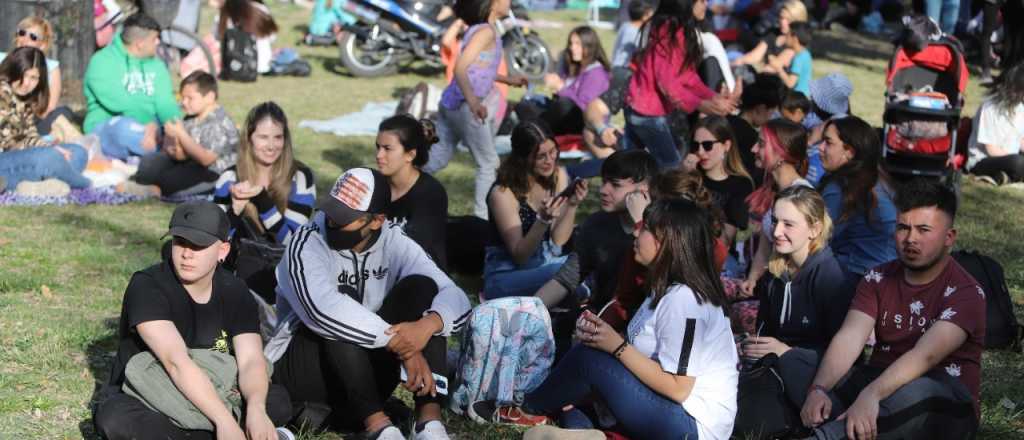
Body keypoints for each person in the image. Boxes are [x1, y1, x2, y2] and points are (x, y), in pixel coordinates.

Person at [476, 199, 738, 440]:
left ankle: (526, 410)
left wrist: (616, 347)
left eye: (645, 228)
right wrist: (602, 338)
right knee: (576, 402)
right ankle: (583, 433)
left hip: (692, 428)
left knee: (590, 360)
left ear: (667, 241)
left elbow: (678, 388)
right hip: (667, 411)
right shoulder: (664, 290)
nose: (636, 233)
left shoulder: (686, 299)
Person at [265, 168, 472, 440]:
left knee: (424, 288)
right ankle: (378, 427)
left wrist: (426, 325)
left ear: (376, 221)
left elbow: (455, 295)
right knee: (345, 302)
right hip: (302, 374)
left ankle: (428, 424)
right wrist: (405, 348)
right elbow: (323, 310)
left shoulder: (394, 240)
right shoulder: (306, 242)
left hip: (361, 370)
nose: (332, 222)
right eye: (332, 212)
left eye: (344, 219)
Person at [784, 178, 982, 440]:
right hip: (879, 380)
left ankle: (824, 435)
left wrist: (872, 394)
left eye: (923, 230)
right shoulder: (878, 277)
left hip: (940, 398)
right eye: (903, 227)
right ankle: (844, 421)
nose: (911, 239)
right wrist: (818, 389)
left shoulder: (967, 291)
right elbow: (850, 337)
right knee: (796, 362)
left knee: (917, 393)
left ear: (949, 237)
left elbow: (926, 356)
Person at [93, 201, 293, 440]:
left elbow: (250, 359)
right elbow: (176, 362)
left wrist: (257, 409)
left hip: (216, 386)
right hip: (153, 390)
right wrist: (224, 420)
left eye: (198, 245)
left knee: (276, 401)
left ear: (223, 251)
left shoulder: (235, 289)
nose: (186, 254)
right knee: (115, 419)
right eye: (180, 242)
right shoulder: (147, 285)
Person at [426, 0, 527, 220]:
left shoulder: (480, 30)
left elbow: (481, 67)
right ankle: (483, 218)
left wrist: (508, 80)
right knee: (488, 162)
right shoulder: (486, 33)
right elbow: (460, 67)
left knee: (438, 158)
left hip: (450, 104)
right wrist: (473, 103)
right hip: (464, 106)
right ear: (492, 4)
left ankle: (400, 187)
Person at [533, 149, 660, 312]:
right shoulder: (597, 224)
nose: (603, 190)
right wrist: (529, 312)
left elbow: (666, 280)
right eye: (604, 181)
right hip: (604, 318)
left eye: (615, 184)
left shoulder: (667, 225)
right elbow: (565, 280)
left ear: (644, 189)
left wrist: (640, 223)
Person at [622, 0, 739, 169]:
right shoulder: (669, 31)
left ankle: (576, 172)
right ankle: (574, 173)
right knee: (670, 166)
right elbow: (667, 84)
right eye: (702, 1)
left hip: (642, 108)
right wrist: (701, 104)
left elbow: (687, 75)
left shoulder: (678, 29)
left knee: (628, 166)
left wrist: (712, 97)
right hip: (646, 112)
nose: (706, 5)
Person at [740, 186, 848, 362]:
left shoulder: (830, 277)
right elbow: (764, 331)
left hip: (812, 379)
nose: (776, 232)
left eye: (788, 224)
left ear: (815, 229)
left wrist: (787, 353)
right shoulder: (775, 270)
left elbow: (842, 355)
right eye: (775, 221)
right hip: (773, 370)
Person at [483, 120, 587, 299]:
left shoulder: (558, 175)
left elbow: (558, 241)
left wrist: (572, 205)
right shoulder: (502, 193)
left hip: (545, 263)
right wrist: (542, 221)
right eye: (541, 156)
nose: (549, 161)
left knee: (586, 262)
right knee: (569, 273)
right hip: (506, 275)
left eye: (553, 152)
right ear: (523, 158)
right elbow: (519, 256)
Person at [213, 102, 315, 245]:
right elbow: (215, 241)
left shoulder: (301, 177)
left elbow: (292, 242)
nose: (271, 146)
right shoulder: (228, 178)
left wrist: (263, 202)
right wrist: (234, 212)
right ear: (249, 139)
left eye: (278, 137)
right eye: (263, 137)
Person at [84, 13, 182, 160]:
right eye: (154, 39)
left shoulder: (156, 65)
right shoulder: (102, 62)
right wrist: (148, 124)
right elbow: (122, 103)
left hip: (152, 125)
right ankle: (166, 154)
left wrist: (175, 128)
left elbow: (165, 102)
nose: (158, 43)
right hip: (111, 123)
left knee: (184, 133)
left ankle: (163, 153)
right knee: (125, 130)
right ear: (140, 44)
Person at [134, 71, 240, 197]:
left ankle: (154, 190)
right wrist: (172, 141)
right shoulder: (191, 117)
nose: (184, 102)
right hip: (191, 165)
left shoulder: (219, 122)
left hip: (214, 173)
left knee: (169, 182)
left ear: (210, 97)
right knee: (150, 163)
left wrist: (180, 133)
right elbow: (181, 155)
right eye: (182, 98)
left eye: (190, 98)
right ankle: (152, 186)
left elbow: (206, 159)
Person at [0, 47, 90, 194]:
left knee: (77, 152)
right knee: (49, 157)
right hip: (4, 158)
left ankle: (33, 185)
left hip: (19, 157)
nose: (26, 83)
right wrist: (46, 149)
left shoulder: (26, 98)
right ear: (13, 70)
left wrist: (45, 146)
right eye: (23, 74)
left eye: (33, 78)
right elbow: (9, 143)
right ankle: (85, 183)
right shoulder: (2, 91)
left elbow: (30, 135)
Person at [818, 116, 898, 279]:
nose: (820, 148)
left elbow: (816, 240)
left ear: (849, 152)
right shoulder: (880, 179)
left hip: (857, 277)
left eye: (828, 142)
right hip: (892, 274)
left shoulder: (840, 187)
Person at [741, 118, 811, 296]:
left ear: (782, 153)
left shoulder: (800, 197)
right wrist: (752, 279)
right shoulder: (774, 189)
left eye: (761, 144)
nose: (753, 149)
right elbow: (764, 249)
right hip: (770, 287)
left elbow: (803, 262)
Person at [375, 114, 449, 270]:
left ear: (410, 155)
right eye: (378, 147)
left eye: (387, 149)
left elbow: (413, 251)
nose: (379, 155)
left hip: (420, 276)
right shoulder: (373, 185)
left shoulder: (430, 193)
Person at [517, 26, 610, 136]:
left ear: (589, 46)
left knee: (563, 105)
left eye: (578, 44)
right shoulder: (575, 65)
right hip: (563, 116)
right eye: (571, 43)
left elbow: (584, 107)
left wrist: (561, 88)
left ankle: (537, 130)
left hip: (582, 122)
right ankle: (535, 129)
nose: (572, 48)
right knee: (525, 105)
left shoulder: (596, 74)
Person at [0, 16, 73, 137]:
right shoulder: (2, 59)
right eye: (22, 33)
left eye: (33, 37)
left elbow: (49, 106)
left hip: (34, 118)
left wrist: (27, 116)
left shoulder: (51, 68)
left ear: (43, 44)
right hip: (6, 115)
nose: (24, 39)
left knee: (63, 113)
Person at [692, 115, 754, 249]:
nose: (700, 152)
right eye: (696, 145)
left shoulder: (741, 185)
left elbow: (723, 243)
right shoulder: (690, 175)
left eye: (707, 145)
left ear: (726, 145)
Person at [967, 63, 1024, 184]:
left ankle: (1003, 177)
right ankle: (1002, 174)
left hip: (1010, 158)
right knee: (1018, 163)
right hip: (983, 160)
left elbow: (1021, 140)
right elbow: (991, 150)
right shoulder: (990, 107)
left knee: (1018, 162)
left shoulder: (1020, 108)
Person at [727, 73, 786, 186]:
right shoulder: (752, 139)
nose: (770, 117)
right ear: (761, 108)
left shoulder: (726, 121)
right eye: (771, 112)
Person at [804, 73, 854, 185]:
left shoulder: (834, 122)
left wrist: (810, 140)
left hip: (816, 173)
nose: (811, 97)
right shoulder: (841, 119)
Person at [732, 0, 808, 68]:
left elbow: (778, 65)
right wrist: (737, 61)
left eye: (787, 19)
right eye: (781, 18)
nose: (782, 22)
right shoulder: (773, 33)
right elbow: (755, 55)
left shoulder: (798, 43)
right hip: (766, 78)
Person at [217, 0, 279, 74]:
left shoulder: (226, 13)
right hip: (264, 65)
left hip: (234, 65)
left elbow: (218, 37)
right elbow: (272, 36)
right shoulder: (261, 9)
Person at [763, 21, 813, 95]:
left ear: (795, 38)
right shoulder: (805, 54)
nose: (785, 37)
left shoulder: (799, 58)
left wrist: (779, 69)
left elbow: (790, 83)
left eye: (788, 34)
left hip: (797, 98)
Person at [611, 0, 654, 67]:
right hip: (623, 68)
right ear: (644, 17)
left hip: (616, 66)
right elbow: (641, 52)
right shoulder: (633, 32)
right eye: (651, 15)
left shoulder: (626, 25)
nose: (652, 18)